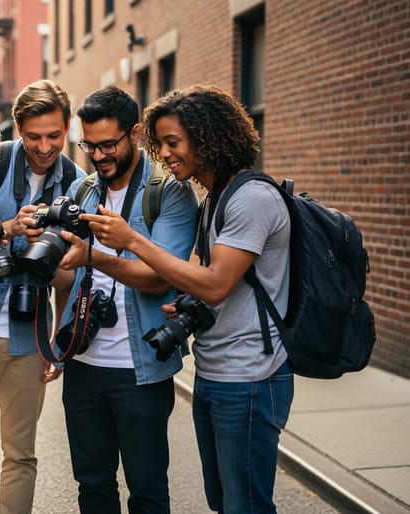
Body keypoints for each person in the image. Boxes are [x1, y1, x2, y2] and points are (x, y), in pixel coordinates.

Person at [91, 85, 293, 513]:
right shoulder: (214, 199)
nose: (164, 154)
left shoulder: (252, 198)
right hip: (215, 371)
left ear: (206, 137)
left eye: (173, 142)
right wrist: (185, 305)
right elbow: (207, 284)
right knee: (224, 502)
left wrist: (132, 241)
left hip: (251, 376)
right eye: (159, 143)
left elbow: (217, 284)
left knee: (246, 505)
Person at [36, 85, 199, 513]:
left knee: (146, 489)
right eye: (90, 145)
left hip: (139, 369)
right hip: (84, 364)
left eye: (109, 144)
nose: (99, 155)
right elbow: (68, 278)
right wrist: (38, 256)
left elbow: (158, 278)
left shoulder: (170, 193)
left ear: (135, 133)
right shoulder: (85, 190)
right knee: (92, 486)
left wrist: (94, 255)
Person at [0, 79, 85, 514]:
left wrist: (59, 346)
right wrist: (7, 230)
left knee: (21, 454)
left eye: (55, 135)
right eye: (33, 136)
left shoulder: (78, 183)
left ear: (67, 127)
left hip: (31, 337)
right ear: (16, 129)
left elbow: (76, 276)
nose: (45, 147)